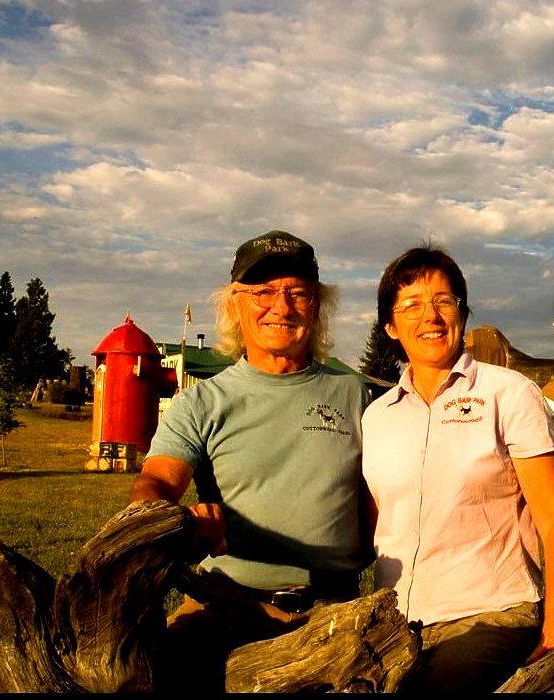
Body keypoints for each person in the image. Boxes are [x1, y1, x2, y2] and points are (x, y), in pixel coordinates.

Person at [129, 230, 372, 690]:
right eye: (262, 292)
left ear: (317, 307)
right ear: (235, 306)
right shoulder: (202, 401)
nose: (281, 307)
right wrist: (178, 518)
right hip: (223, 605)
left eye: (297, 293)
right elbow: (155, 483)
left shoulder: (354, 394)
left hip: (335, 610)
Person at [361, 244, 554, 692]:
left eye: (443, 301)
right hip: (395, 627)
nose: (429, 316)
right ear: (390, 326)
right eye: (411, 305)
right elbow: (376, 525)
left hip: (491, 614)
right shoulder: (377, 417)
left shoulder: (508, 394)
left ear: (462, 314)